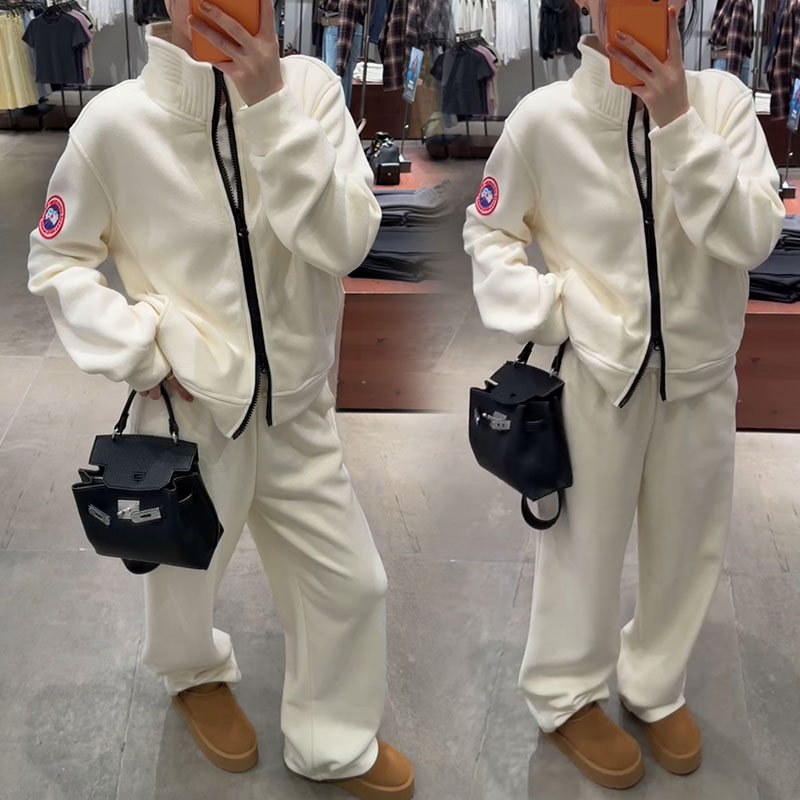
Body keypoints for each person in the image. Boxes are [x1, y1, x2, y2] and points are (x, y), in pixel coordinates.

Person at [26, 1, 415, 797]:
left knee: (352, 583)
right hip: (187, 410)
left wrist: (269, 104)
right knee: (182, 579)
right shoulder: (114, 125)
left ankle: (332, 737)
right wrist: (141, 347)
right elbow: (56, 259)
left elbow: (344, 242)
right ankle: (192, 672)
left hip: (297, 404)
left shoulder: (310, 92)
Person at [463, 0, 783, 790]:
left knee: (688, 550)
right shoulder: (545, 120)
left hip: (700, 380)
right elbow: (488, 233)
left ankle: (654, 681)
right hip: (595, 381)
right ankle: (564, 693)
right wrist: (558, 308)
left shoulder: (722, 105)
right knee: (583, 549)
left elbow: (753, 237)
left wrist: (677, 123)